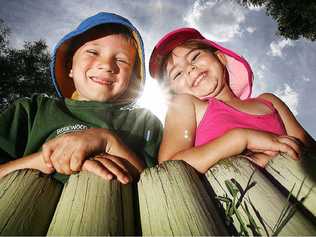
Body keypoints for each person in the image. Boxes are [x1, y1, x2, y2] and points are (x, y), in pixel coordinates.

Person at [0, 12, 162, 184]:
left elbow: (159, 186)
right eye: (92, 52)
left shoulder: (144, 122)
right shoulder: (33, 109)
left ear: (131, 78)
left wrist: (108, 141)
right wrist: (48, 160)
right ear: (70, 67)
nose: (107, 65)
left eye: (122, 60)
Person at [149, 27, 315, 173]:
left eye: (195, 57)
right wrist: (241, 138)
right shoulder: (186, 106)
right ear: (174, 92)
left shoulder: (268, 101)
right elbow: (170, 166)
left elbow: (309, 147)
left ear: (220, 58)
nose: (189, 69)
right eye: (177, 74)